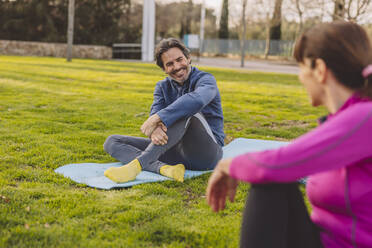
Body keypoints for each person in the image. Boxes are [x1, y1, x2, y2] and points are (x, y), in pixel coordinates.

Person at [206, 21, 372, 248]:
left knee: (270, 180)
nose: (300, 77)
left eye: (301, 67)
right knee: (274, 183)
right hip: (322, 239)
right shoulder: (353, 118)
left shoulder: (365, 117)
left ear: (320, 70)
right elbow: (284, 163)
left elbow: (277, 163)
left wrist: (228, 165)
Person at [103, 38, 224, 183]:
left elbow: (197, 100)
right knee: (112, 141)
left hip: (206, 155)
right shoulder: (161, 87)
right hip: (174, 151)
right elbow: (155, 112)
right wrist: (155, 129)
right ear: (164, 69)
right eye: (170, 64)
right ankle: (164, 169)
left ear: (188, 58)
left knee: (187, 111)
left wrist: (157, 118)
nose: (177, 66)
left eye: (180, 59)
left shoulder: (206, 79)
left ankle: (137, 166)